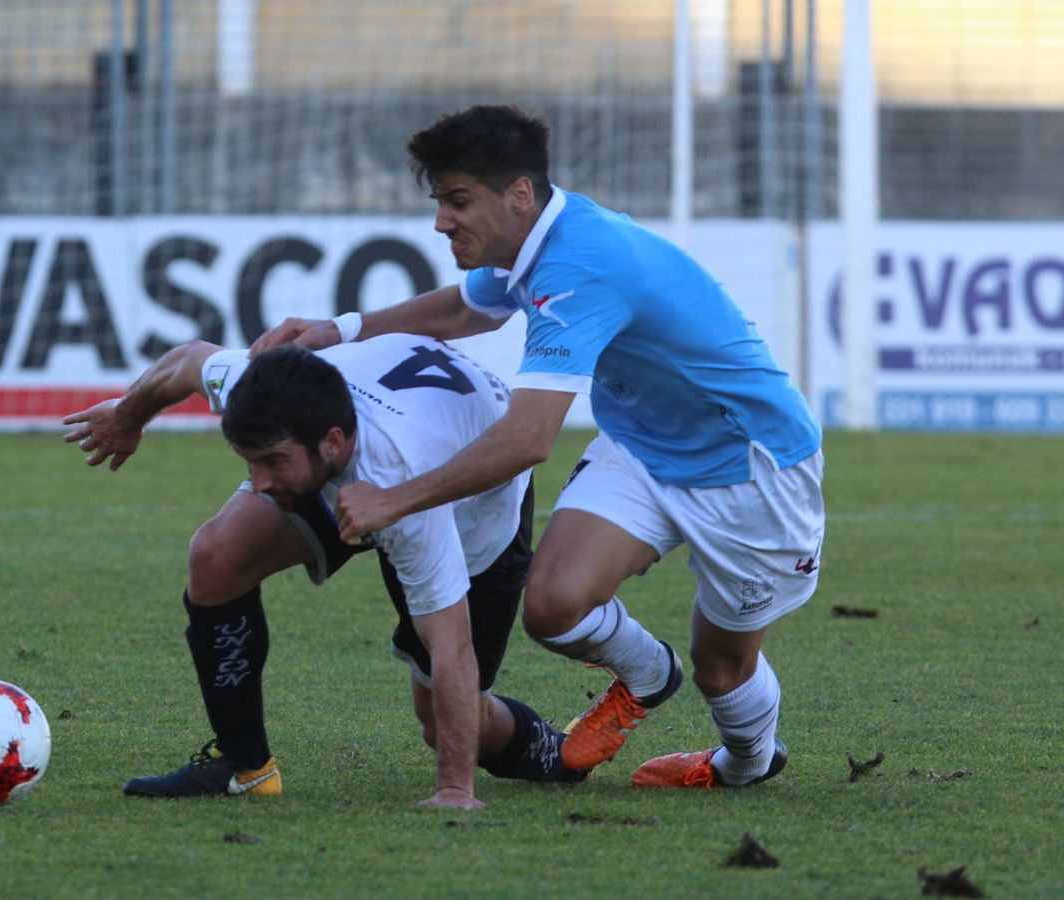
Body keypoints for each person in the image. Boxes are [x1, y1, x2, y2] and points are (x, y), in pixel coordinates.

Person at [252, 104, 825, 790]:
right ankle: (646, 674)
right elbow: (467, 309)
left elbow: (527, 440)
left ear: (517, 193)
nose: (441, 222)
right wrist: (341, 329)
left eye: (457, 202)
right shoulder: (536, 239)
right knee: (553, 606)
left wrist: (394, 499)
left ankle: (744, 764)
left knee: (721, 666)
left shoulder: (581, 266)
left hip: (751, 467)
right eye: (439, 202)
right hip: (644, 447)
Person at [62, 332, 590, 810]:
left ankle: (548, 750)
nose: (259, 482)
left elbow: (453, 647)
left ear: (333, 443)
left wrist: (453, 790)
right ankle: (244, 766)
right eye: (250, 463)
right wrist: (128, 416)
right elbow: (185, 360)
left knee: (447, 722)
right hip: (390, 427)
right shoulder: (261, 385)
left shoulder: (408, 486)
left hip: (470, 504)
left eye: (271, 462)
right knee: (216, 554)